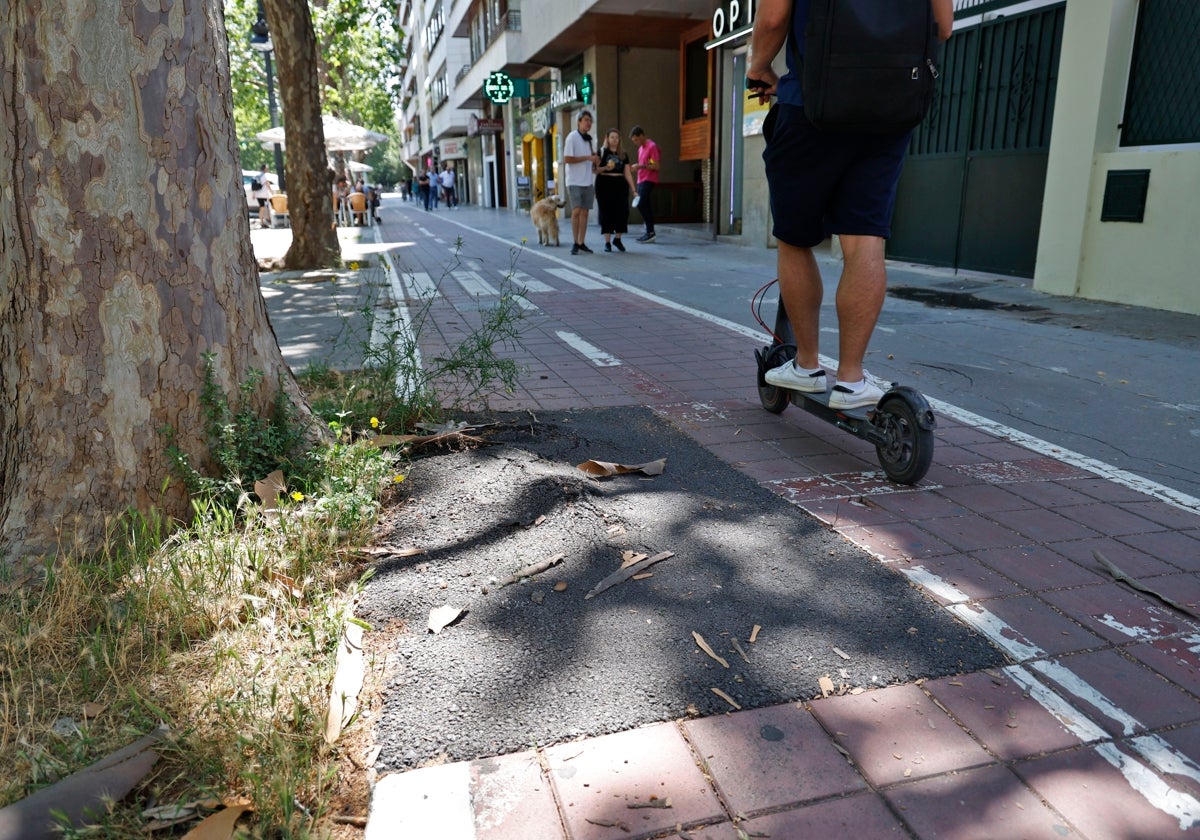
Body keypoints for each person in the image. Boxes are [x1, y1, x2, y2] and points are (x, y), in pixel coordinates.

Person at [747, 0, 953, 410]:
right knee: (865, 238)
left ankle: (805, 366)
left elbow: (772, 19)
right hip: (890, 108)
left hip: (812, 104)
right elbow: (943, 27)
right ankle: (852, 379)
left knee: (794, 237)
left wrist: (758, 67)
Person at [562, 110, 600, 255]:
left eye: (590, 120)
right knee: (576, 211)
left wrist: (595, 160)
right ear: (578, 121)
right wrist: (587, 158)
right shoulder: (572, 137)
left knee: (585, 213)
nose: (588, 123)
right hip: (574, 180)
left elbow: (592, 160)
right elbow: (567, 159)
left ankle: (581, 242)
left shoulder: (590, 139)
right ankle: (574, 242)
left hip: (588, 181)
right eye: (585, 120)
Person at [595, 128, 635, 252]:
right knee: (606, 212)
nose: (615, 140)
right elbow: (594, 170)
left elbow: (627, 173)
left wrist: (634, 190)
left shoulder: (623, 154)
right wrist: (605, 168)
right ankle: (607, 242)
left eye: (617, 138)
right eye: (612, 137)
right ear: (607, 138)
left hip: (620, 184)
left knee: (622, 212)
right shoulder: (601, 152)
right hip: (604, 184)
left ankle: (617, 239)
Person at [628, 126, 659, 242]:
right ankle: (650, 232)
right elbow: (646, 163)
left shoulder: (652, 147)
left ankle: (650, 232)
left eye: (636, 140)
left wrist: (640, 166)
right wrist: (637, 167)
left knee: (640, 203)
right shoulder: (640, 149)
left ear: (641, 136)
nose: (635, 143)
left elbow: (656, 166)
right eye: (634, 141)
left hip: (649, 179)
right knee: (645, 205)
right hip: (641, 180)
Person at [252, 163, 273, 228]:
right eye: (267, 168)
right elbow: (267, 184)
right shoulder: (263, 176)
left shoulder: (258, 175)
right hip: (263, 195)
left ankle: (265, 220)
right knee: (263, 208)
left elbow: (255, 186)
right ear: (264, 168)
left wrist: (254, 194)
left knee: (263, 207)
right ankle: (262, 221)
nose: (268, 169)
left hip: (258, 194)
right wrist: (272, 192)